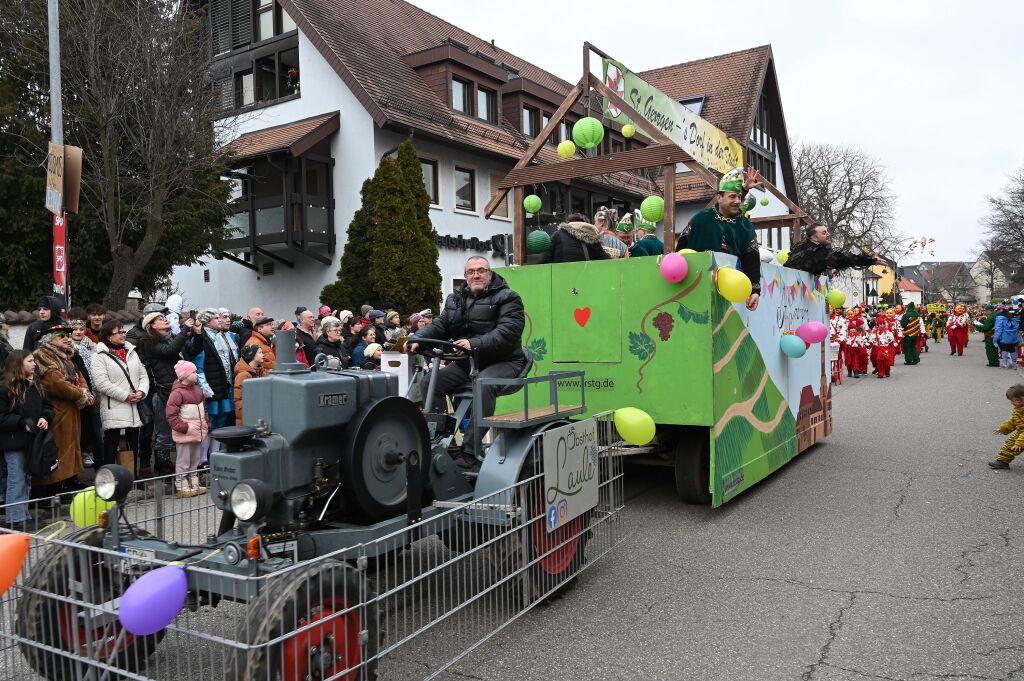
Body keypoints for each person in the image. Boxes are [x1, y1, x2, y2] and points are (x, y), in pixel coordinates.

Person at [409, 255, 527, 469]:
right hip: (469, 361)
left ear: (489, 274)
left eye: (481, 270)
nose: (476, 275)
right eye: (471, 272)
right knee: (429, 383)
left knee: (483, 383)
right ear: (465, 276)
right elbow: (441, 324)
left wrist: (473, 343)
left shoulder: (508, 297)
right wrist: (417, 338)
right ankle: (446, 443)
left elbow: (507, 333)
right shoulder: (455, 300)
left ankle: (470, 452)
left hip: (505, 360)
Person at [675, 167, 762, 311]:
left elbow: (752, 260)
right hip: (695, 290)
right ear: (719, 198)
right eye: (732, 197)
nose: (736, 201)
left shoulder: (746, 227)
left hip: (729, 297)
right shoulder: (701, 219)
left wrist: (754, 291)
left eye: (739, 197)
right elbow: (681, 251)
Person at [138, 310, 200, 476]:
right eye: (159, 318)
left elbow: (192, 350)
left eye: (163, 317)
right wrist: (182, 331)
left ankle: (180, 467)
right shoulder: (148, 341)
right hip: (165, 391)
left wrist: (197, 333)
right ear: (150, 326)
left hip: (180, 389)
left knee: (183, 428)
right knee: (164, 431)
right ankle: (162, 466)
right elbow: (170, 351)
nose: (164, 319)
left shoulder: (173, 336)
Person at [32, 324, 91, 495]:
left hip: (71, 408)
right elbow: (57, 384)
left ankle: (71, 479)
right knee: (60, 447)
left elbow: (79, 377)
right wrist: (82, 394)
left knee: (72, 445)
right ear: (49, 340)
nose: (67, 338)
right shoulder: (43, 356)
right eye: (61, 335)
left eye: (67, 334)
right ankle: (57, 484)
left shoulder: (66, 356)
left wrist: (84, 392)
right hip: (57, 410)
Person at [0, 351, 52, 528]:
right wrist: (21, 422)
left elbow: (47, 406)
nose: (34, 364)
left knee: (27, 478)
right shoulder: (4, 388)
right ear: (18, 365)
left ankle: (24, 515)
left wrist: (46, 417)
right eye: (30, 361)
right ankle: (15, 520)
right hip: (14, 442)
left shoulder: (36, 384)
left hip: (33, 440)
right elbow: (2, 417)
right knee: (17, 479)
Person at [90, 320, 150, 470]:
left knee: (132, 444)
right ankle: (110, 481)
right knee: (111, 444)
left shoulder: (131, 352)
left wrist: (141, 392)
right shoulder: (99, 356)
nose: (123, 335)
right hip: (114, 406)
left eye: (123, 331)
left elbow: (143, 375)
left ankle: (133, 478)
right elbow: (101, 383)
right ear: (109, 336)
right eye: (119, 332)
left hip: (134, 405)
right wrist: (126, 396)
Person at [166, 360, 209, 497]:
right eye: (193, 372)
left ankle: (193, 481)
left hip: (197, 431)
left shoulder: (198, 390)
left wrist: (206, 423)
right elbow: (171, 414)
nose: (196, 375)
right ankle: (181, 484)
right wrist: (183, 427)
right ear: (184, 375)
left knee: (194, 458)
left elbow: (205, 409)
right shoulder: (177, 393)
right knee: (183, 459)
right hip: (185, 432)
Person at [784, 224, 886, 276]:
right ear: (814, 238)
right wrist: (870, 260)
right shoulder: (814, 251)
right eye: (824, 233)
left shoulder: (804, 246)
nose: (828, 234)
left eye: (827, 231)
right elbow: (843, 260)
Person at [69, 320, 103, 468]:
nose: (78, 332)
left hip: (94, 393)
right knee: (80, 430)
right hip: (79, 395)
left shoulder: (93, 347)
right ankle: (81, 457)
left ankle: (99, 463)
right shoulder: (67, 349)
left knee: (96, 431)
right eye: (74, 329)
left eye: (81, 329)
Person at [537, 213, 610, 263]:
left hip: (562, 278)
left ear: (569, 223)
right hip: (586, 279)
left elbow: (544, 260)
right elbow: (607, 261)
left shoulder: (558, 235)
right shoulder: (594, 237)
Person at [989, 384, 1024, 469]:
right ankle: (1002, 462)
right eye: (1011, 401)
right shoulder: (1019, 409)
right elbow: (1013, 421)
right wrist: (1003, 428)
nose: (1012, 403)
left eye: (1014, 400)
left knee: (1014, 446)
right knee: (1009, 446)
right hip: (1021, 433)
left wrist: (1020, 443)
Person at [233, 345, 266, 425]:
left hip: (259, 416)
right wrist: (248, 416)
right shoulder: (243, 375)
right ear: (252, 355)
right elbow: (239, 400)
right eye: (260, 352)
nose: (263, 355)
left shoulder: (261, 372)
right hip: (247, 421)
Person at [840, 308, 869, 378]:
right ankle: (849, 371)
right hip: (848, 343)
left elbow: (865, 330)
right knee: (848, 358)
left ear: (854, 314)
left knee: (858, 357)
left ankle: (857, 370)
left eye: (851, 314)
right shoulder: (844, 322)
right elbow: (842, 332)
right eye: (848, 314)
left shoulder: (858, 321)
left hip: (857, 341)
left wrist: (864, 339)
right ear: (846, 315)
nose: (850, 315)